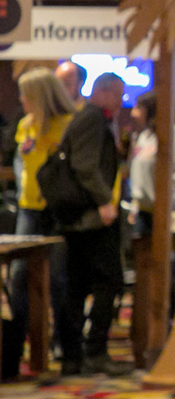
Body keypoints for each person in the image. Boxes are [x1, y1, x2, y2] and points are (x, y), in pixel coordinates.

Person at [2, 69, 74, 381]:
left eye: (26, 94)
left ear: (41, 95)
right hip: (28, 209)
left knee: (57, 280)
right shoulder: (24, 126)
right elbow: (22, 167)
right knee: (19, 279)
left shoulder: (67, 125)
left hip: (56, 211)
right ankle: (14, 349)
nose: (20, 100)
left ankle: (63, 345)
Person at [55, 72, 129, 376]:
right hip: (90, 217)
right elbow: (84, 166)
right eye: (118, 95)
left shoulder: (93, 118)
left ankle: (75, 355)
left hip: (82, 217)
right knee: (108, 279)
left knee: (78, 283)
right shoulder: (93, 119)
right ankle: (92, 350)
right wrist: (104, 202)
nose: (122, 102)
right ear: (104, 91)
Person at [127, 91, 158, 238]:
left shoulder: (169, 137)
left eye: (138, 108)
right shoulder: (143, 137)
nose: (133, 113)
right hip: (142, 210)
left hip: (162, 211)